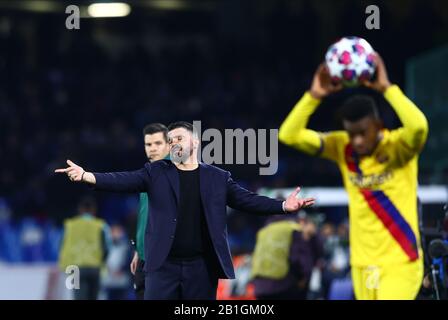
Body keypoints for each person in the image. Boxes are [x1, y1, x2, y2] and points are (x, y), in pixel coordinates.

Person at [55, 121, 316, 300]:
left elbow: (247, 200)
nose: (174, 143)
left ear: (196, 141)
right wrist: (87, 176)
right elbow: (123, 180)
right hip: (162, 266)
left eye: (179, 138)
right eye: (171, 141)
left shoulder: (217, 177)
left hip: (201, 268)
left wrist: (283, 206)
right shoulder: (155, 172)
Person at [279, 53, 428, 300]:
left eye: (363, 132)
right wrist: (314, 96)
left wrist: (387, 89)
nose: (357, 140)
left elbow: (420, 127)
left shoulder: (400, 146)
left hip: (400, 261)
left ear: (378, 125)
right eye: (351, 133)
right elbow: (288, 135)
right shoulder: (342, 148)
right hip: (361, 265)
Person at [129, 123, 170, 300]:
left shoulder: (177, 172)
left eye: (158, 144)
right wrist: (138, 250)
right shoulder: (148, 174)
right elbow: (144, 215)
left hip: (164, 257)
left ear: (169, 145)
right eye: (148, 144)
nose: (152, 149)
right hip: (145, 254)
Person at [251, 213, 323, 300]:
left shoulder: (263, 231)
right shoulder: (293, 228)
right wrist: (304, 277)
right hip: (284, 286)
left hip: (260, 287)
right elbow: (299, 258)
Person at [58, 196, 111, 300]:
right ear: (94, 210)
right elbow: (107, 247)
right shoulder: (101, 225)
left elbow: (62, 245)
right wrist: (102, 263)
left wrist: (64, 266)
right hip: (95, 268)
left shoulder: (70, 225)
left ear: (80, 209)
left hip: (76, 269)